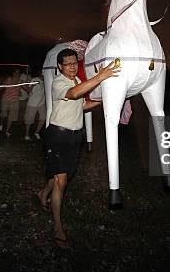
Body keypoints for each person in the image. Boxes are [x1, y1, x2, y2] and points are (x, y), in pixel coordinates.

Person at [35, 48, 119, 248]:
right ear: (60, 66)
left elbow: (80, 104)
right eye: (68, 64)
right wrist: (101, 76)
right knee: (61, 180)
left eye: (75, 63)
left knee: (59, 174)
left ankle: (42, 194)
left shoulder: (78, 82)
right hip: (58, 135)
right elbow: (72, 95)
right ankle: (57, 227)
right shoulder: (58, 82)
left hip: (75, 137)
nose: (73, 66)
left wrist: (101, 102)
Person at [0, 68, 24, 137]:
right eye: (15, 72)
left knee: (12, 116)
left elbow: (26, 88)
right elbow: (2, 87)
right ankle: (1, 125)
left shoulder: (21, 81)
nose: (16, 74)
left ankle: (7, 130)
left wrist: (28, 91)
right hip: (6, 99)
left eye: (18, 73)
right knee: (4, 114)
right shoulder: (9, 79)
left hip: (15, 100)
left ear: (20, 74)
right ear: (13, 73)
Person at [23, 72, 45, 141]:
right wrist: (33, 85)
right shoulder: (34, 79)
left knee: (43, 118)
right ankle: (26, 135)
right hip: (32, 103)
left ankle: (36, 132)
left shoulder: (46, 81)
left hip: (42, 103)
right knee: (29, 120)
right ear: (41, 73)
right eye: (43, 73)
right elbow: (28, 91)